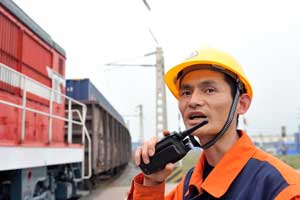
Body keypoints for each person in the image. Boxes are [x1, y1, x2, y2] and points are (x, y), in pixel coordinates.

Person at [127, 48, 300, 200]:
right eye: (186, 92)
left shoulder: (283, 190)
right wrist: (152, 182)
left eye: (209, 90)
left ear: (241, 104)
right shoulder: (188, 186)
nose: (193, 101)